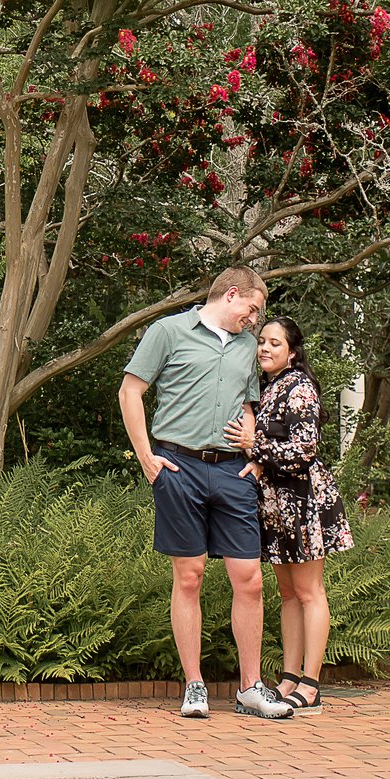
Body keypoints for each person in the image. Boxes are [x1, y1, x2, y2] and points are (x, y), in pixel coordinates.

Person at [119, 266, 295, 721]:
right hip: (178, 467)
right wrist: (146, 458)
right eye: (253, 310)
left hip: (233, 474)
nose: (254, 321)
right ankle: (194, 685)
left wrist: (254, 458)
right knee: (190, 576)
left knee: (250, 579)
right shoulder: (169, 331)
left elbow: (249, 404)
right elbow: (130, 392)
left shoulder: (243, 348)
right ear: (232, 294)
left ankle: (250, 688)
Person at [227, 314, 352, 714]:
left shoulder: (299, 388)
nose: (264, 348)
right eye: (261, 341)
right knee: (287, 594)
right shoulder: (268, 387)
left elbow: (304, 450)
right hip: (276, 506)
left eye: (275, 343)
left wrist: (254, 445)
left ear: (293, 352)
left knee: (309, 592)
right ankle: (288, 677)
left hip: (304, 501)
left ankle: (311, 685)